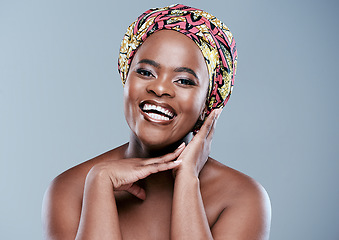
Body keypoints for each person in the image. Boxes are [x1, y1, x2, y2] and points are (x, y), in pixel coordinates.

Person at [42, 4, 271, 239]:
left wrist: (187, 180)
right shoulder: (70, 190)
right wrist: (100, 184)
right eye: (146, 72)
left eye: (184, 80)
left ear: (208, 104)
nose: (160, 88)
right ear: (126, 78)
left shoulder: (241, 198)